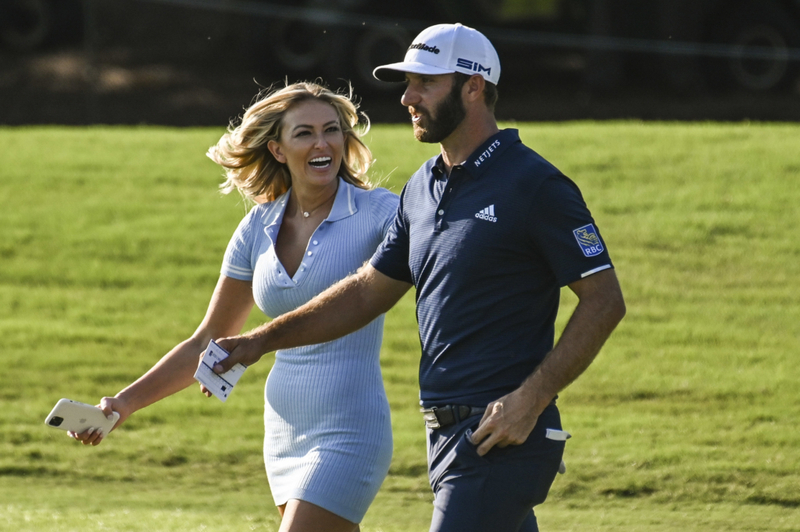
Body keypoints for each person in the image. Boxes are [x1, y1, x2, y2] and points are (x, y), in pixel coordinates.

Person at [208, 23, 626, 532]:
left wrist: (531, 400)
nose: (408, 97)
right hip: (446, 436)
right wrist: (261, 340)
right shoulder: (424, 188)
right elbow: (366, 291)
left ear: (473, 87)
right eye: (408, 83)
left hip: (503, 433)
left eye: (425, 83)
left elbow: (604, 300)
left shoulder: (535, 184)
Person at [69, 82, 399, 532]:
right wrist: (122, 404)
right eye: (304, 133)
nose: (323, 144)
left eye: (332, 130)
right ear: (278, 149)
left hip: (350, 427)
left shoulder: (380, 212)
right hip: (284, 431)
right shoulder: (257, 226)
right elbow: (208, 340)